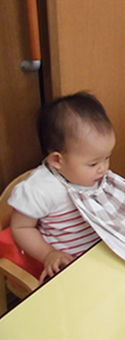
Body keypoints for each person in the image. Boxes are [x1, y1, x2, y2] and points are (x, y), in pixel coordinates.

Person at [9, 92, 115, 282]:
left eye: (107, 158)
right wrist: (48, 254)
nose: (103, 168)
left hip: (102, 253)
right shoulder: (40, 189)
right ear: (57, 160)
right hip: (67, 267)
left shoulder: (91, 174)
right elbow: (21, 227)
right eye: (93, 164)